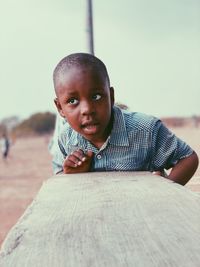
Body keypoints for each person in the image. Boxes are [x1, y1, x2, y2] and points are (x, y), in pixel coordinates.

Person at [52, 52, 199, 185]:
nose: (87, 110)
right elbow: (58, 180)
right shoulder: (66, 138)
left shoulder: (146, 130)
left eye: (96, 96)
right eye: (72, 101)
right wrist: (71, 175)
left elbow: (188, 158)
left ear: (111, 97)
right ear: (60, 108)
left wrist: (166, 191)